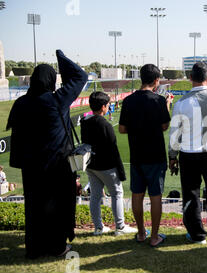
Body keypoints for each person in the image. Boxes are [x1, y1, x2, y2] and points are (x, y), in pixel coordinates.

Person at [6, 50, 88, 259]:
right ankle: (57, 246)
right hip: (56, 166)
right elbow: (80, 76)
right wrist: (60, 56)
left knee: (34, 208)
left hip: (31, 167)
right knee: (58, 208)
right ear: (51, 81)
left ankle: (34, 249)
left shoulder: (21, 103)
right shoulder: (56, 101)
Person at [168, 61, 207, 244]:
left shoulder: (181, 103)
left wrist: (172, 156)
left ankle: (197, 235)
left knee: (191, 193)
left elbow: (174, 133)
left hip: (189, 154)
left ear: (190, 78)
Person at [119, 64, 172, 247]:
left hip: (136, 155)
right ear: (156, 80)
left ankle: (141, 233)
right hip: (155, 155)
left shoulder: (128, 101)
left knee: (137, 194)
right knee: (155, 195)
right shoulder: (158, 100)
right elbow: (165, 126)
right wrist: (167, 105)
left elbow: (122, 129)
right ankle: (154, 237)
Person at [81, 91, 137, 236]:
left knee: (95, 196)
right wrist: (121, 172)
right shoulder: (104, 124)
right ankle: (120, 227)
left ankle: (98, 227)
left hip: (91, 165)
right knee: (117, 194)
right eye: (108, 105)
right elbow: (113, 149)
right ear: (104, 107)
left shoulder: (85, 121)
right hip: (106, 166)